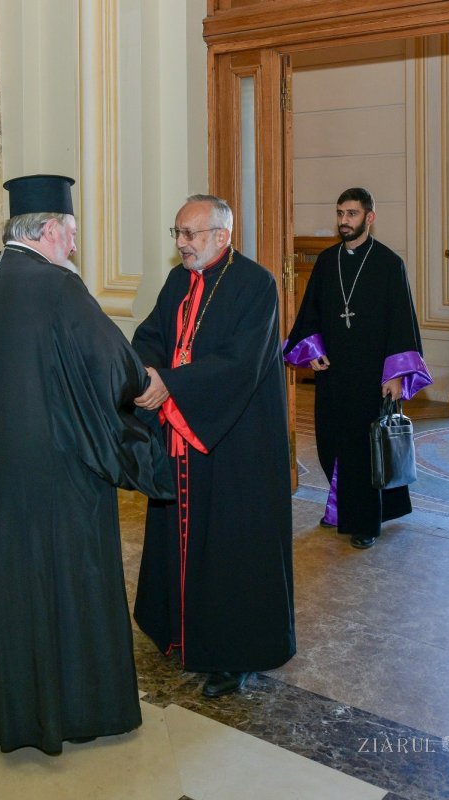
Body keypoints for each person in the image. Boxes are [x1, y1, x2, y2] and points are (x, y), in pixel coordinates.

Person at [0, 174, 173, 755]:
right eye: (73, 233)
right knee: (67, 582)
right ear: (50, 229)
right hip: (59, 470)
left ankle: (16, 713)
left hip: (3, 473)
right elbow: (109, 361)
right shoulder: (57, 286)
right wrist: (146, 383)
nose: (75, 246)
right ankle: (77, 711)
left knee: (14, 589)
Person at [132, 194, 295, 698]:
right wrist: (148, 372)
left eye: (191, 234)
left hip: (234, 442)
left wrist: (173, 385)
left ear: (222, 236)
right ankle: (176, 629)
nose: (181, 244)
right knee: (180, 534)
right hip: (182, 433)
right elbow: (153, 334)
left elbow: (240, 364)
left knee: (230, 547)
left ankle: (234, 654)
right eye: (177, 233)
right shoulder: (178, 279)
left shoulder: (255, 284)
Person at [284, 187, 431, 550]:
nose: (344, 221)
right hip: (334, 373)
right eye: (340, 214)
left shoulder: (388, 264)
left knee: (366, 450)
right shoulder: (326, 261)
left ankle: (364, 523)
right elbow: (310, 313)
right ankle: (339, 510)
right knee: (332, 443)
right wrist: (312, 351)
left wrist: (395, 373)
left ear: (370, 217)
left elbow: (401, 323)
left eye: (351, 214)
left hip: (371, 376)